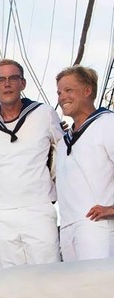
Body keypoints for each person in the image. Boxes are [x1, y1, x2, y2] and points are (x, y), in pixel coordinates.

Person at [0, 59, 64, 271]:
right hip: (0, 215)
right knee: (7, 281)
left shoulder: (44, 114)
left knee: (48, 275)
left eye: (13, 78)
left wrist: (50, 186)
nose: (7, 84)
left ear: (23, 83)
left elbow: (62, 155)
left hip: (38, 209)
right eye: (0, 80)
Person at [55, 65, 114, 261]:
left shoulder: (107, 123)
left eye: (68, 90)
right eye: (59, 92)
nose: (62, 97)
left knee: (101, 281)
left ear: (87, 90)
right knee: (74, 282)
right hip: (68, 228)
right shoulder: (63, 142)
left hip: (97, 227)